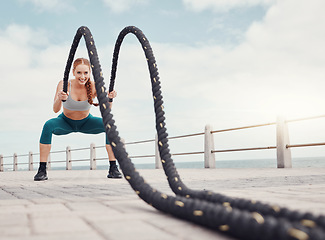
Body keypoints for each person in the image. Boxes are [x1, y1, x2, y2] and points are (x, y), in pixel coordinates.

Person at [34, 58, 122, 181]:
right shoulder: (64, 84)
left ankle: (113, 168)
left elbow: (106, 110)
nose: (82, 76)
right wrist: (60, 98)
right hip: (65, 122)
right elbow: (55, 109)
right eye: (79, 73)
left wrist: (110, 98)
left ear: (90, 73)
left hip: (86, 122)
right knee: (48, 125)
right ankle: (42, 170)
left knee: (109, 125)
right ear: (73, 72)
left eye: (86, 73)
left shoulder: (94, 86)